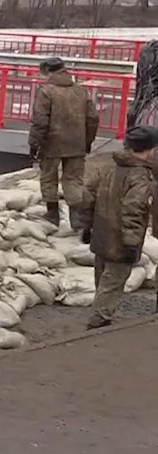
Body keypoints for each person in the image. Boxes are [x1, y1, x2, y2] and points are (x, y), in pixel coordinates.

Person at [77, 126, 158, 329]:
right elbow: (134, 210)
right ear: (151, 149)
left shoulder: (109, 166)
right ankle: (98, 323)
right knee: (111, 284)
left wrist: (86, 227)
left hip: (101, 234)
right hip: (120, 240)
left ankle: (99, 315)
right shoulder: (140, 176)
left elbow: (88, 197)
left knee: (101, 280)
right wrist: (131, 244)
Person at [29, 56, 99, 228]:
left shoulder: (46, 91)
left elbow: (40, 121)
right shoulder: (81, 91)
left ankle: (52, 215)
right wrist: (87, 141)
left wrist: (34, 143)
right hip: (77, 144)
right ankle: (78, 221)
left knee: (48, 178)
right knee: (74, 181)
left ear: (47, 72)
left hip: (51, 143)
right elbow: (93, 118)